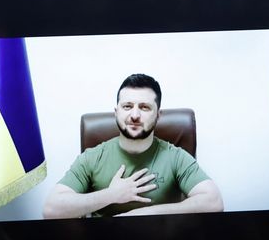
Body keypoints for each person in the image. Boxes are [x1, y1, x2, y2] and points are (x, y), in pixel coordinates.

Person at [43, 74, 223, 219]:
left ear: (158, 115)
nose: (134, 115)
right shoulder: (93, 157)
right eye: (127, 106)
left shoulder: (175, 156)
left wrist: (143, 214)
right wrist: (111, 195)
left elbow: (214, 202)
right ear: (116, 112)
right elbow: (51, 210)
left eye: (144, 107)